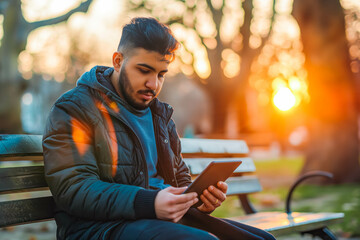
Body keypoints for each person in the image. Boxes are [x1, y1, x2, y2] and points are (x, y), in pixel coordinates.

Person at [43, 17, 275, 240]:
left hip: (162, 221)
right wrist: (149, 203)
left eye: (161, 74)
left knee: (263, 238)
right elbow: (73, 189)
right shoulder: (74, 109)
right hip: (99, 228)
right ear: (117, 61)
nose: (153, 84)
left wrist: (200, 200)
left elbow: (180, 178)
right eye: (144, 71)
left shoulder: (160, 116)